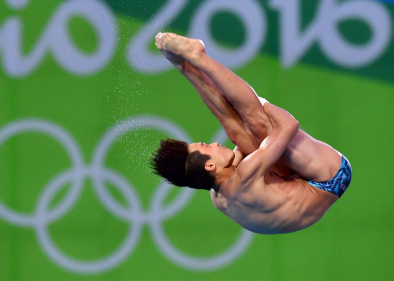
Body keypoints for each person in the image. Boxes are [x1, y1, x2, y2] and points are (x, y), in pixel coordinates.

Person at [150, 32, 352, 234]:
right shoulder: (245, 177)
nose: (212, 144)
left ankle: (182, 64)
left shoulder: (218, 197)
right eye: (206, 146)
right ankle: (197, 57)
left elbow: (234, 129)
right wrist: (260, 105)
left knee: (237, 131)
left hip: (289, 182)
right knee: (258, 124)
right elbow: (289, 124)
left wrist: (243, 112)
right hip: (330, 178)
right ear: (210, 165)